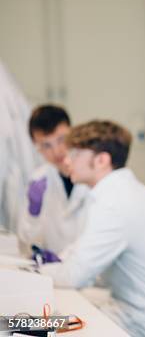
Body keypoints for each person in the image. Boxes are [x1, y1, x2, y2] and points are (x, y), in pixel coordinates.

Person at [40, 120, 145, 337]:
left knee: (56, 326)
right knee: (65, 312)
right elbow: (81, 251)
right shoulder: (125, 192)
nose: (66, 160)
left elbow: (74, 276)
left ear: (102, 160)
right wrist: (58, 262)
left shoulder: (115, 204)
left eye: (75, 154)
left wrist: (36, 272)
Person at [17, 105, 89, 262]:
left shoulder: (92, 173)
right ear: (37, 147)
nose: (57, 151)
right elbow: (25, 246)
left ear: (72, 132)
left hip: (94, 277)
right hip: (55, 276)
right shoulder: (38, 180)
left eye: (61, 139)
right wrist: (32, 214)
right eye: (46, 145)